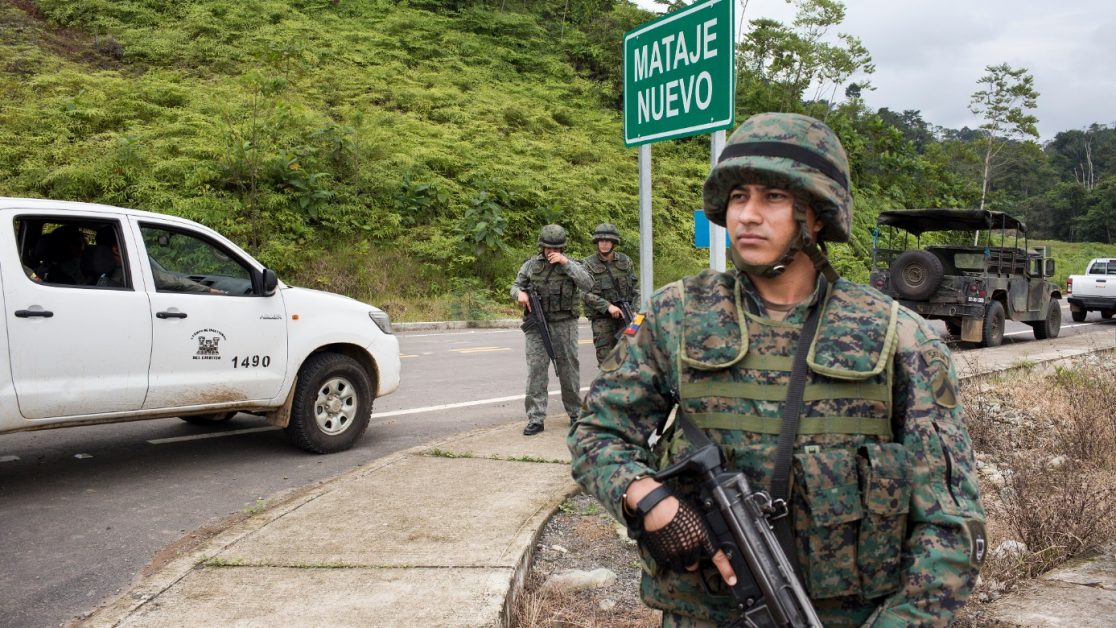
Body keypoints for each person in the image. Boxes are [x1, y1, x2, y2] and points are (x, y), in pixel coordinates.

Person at [568, 112, 986, 626]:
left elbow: (952, 526)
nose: (747, 215)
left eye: (773, 198)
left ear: (815, 217)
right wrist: (648, 497)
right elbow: (597, 434)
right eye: (739, 197)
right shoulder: (677, 315)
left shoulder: (899, 337)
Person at [511, 224, 593, 436]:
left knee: (569, 370)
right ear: (541, 247)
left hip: (565, 324)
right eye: (547, 248)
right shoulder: (531, 265)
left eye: (555, 249)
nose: (550, 252)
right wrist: (519, 294)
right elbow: (516, 285)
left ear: (562, 248)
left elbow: (588, 284)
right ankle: (536, 418)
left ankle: (576, 413)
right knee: (536, 371)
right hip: (537, 325)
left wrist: (566, 264)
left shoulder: (573, 264)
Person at [581, 223, 640, 367]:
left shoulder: (625, 261)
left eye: (608, 241)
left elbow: (636, 289)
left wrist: (637, 310)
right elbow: (584, 293)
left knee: (630, 357)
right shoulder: (588, 264)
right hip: (602, 320)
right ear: (597, 242)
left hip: (626, 316)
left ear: (614, 243)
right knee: (607, 362)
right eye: (601, 241)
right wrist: (608, 307)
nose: (604, 244)